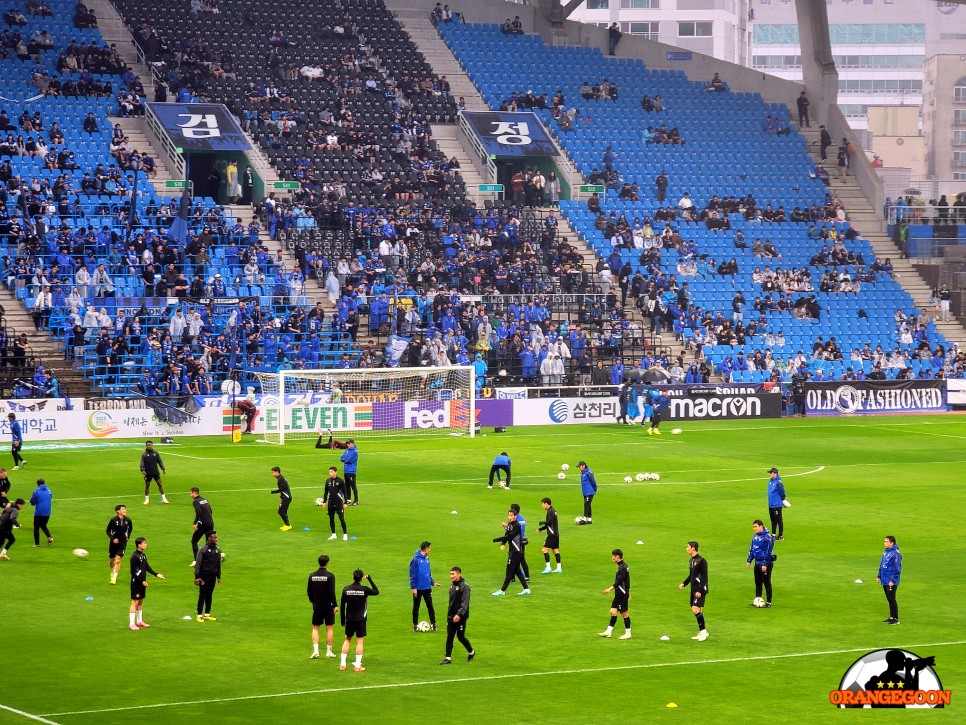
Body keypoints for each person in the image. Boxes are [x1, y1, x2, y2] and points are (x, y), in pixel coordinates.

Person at [339, 569, 380, 671]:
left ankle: (342, 664)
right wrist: (370, 579)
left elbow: (342, 606)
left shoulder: (346, 589)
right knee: (360, 642)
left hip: (349, 619)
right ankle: (357, 666)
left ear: (352, 577)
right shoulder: (365, 589)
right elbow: (376, 591)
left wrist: (342, 621)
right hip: (361, 619)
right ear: (362, 578)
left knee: (347, 639)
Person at [440, 566, 474, 665]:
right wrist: (448, 618)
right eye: (450, 574)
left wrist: (458, 615)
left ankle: (471, 652)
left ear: (459, 574)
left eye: (453, 574)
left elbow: (465, 603)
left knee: (460, 637)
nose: (451, 576)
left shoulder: (465, 587)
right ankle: (448, 658)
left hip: (461, 617)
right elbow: (451, 603)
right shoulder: (452, 586)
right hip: (451, 616)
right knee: (449, 636)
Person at [129, 537, 165, 630]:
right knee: (135, 602)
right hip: (136, 583)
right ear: (139, 545)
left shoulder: (143, 555)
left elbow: (147, 567)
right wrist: (141, 581)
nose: (145, 544)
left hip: (142, 582)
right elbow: (133, 572)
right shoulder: (134, 556)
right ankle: (131, 623)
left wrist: (156, 574)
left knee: (140, 601)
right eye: (144, 543)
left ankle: (139, 621)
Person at [307, 554, 339, 659]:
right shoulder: (330, 576)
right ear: (327, 563)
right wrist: (334, 605)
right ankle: (329, 652)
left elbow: (309, 592)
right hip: (328, 606)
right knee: (329, 628)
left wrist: (313, 602)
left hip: (317, 605)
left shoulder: (312, 575)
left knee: (315, 627)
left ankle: (316, 651)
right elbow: (331, 592)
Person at [492, 508, 529, 596]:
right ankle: (526, 589)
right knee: (517, 571)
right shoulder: (510, 524)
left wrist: (496, 540)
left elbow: (510, 536)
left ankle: (502, 590)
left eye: (512, 515)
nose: (510, 517)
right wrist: (503, 543)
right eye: (509, 515)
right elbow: (507, 533)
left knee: (509, 571)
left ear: (515, 516)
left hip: (516, 552)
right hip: (513, 551)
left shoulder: (517, 525)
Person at [599, 549, 632, 639]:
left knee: (624, 613)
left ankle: (628, 633)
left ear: (618, 556)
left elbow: (619, 582)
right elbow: (627, 580)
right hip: (619, 593)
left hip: (622, 594)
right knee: (613, 612)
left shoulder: (622, 567)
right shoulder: (622, 566)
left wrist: (609, 589)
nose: (612, 558)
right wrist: (628, 591)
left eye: (613, 556)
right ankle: (608, 632)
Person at [680, 540, 709, 641]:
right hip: (693, 589)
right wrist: (684, 583)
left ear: (693, 548)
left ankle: (704, 632)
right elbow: (691, 575)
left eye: (688, 547)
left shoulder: (702, 561)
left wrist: (700, 591)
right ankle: (702, 632)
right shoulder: (691, 561)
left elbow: (705, 577)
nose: (686, 549)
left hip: (700, 590)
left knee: (695, 609)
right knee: (697, 610)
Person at [409, 541, 440, 632]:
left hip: (427, 587)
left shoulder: (427, 558)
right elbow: (412, 574)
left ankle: (433, 624)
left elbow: (428, 573)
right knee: (416, 606)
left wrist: (433, 582)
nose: (430, 549)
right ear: (425, 548)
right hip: (418, 588)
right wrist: (413, 587)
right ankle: (415, 625)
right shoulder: (415, 559)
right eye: (429, 548)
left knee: (430, 606)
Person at [193, 530, 222, 622]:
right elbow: (198, 563)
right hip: (204, 576)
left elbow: (218, 564)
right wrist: (197, 576)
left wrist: (219, 576)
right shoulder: (203, 549)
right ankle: (199, 615)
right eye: (213, 537)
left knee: (209, 594)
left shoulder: (218, 549)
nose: (215, 539)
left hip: (213, 576)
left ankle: (207, 614)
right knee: (202, 595)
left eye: (216, 537)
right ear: (209, 538)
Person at [747, 519, 775, 608]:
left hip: (765, 564)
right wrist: (749, 560)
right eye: (753, 527)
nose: (754, 529)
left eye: (755, 526)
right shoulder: (755, 537)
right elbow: (752, 549)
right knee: (758, 582)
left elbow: (768, 552)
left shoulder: (767, 538)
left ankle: (769, 602)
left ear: (761, 526)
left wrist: (764, 564)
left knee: (766, 582)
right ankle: (758, 600)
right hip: (757, 563)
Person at [877, 535, 902, 625]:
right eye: (884, 542)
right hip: (885, 579)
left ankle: (896, 618)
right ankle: (891, 617)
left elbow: (897, 569)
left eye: (886, 542)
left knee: (892, 599)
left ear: (892, 543)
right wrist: (879, 576)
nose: (884, 543)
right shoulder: (886, 551)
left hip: (891, 581)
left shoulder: (895, 554)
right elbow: (882, 564)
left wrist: (892, 580)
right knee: (889, 599)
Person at [106, 504, 133, 585]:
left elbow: (130, 529)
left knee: (118, 560)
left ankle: (114, 578)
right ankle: (113, 571)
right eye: (123, 509)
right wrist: (113, 539)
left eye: (125, 509)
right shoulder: (113, 520)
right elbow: (107, 531)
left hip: (123, 542)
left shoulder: (128, 520)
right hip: (114, 542)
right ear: (118, 511)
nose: (125, 510)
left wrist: (128, 536)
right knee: (112, 560)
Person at [323, 466, 348, 541]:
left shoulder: (340, 481)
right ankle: (333, 534)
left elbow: (344, 492)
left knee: (341, 518)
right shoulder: (328, 481)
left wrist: (346, 502)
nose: (330, 473)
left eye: (332, 472)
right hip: (331, 501)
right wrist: (324, 501)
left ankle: (345, 534)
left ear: (335, 472)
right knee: (331, 518)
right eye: (329, 472)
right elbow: (326, 492)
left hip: (338, 502)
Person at [190, 487, 214, 562]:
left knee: (194, 541)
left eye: (190, 493)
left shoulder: (195, 501)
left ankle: (197, 560)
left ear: (194, 493)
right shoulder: (204, 500)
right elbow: (210, 511)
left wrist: (195, 523)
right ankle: (213, 557)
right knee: (209, 542)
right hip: (210, 523)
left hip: (203, 524)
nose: (190, 495)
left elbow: (199, 512)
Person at [140, 440, 168, 505]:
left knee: (160, 485)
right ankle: (146, 499)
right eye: (148, 445)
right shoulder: (144, 454)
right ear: (146, 446)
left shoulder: (156, 453)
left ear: (152, 445)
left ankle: (164, 499)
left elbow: (160, 461)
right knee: (147, 486)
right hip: (148, 473)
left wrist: (163, 468)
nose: (149, 446)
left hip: (155, 472)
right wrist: (143, 470)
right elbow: (142, 463)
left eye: (150, 445)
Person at [538, 497, 561, 574]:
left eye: (543, 504)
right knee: (555, 550)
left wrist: (542, 522)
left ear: (546, 504)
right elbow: (550, 524)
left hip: (551, 535)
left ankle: (548, 568)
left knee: (544, 550)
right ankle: (559, 568)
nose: (542, 505)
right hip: (556, 534)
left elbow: (549, 522)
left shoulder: (550, 511)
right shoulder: (553, 510)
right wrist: (541, 529)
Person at [29, 477, 53, 547]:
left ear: (37, 484)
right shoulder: (49, 490)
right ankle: (49, 537)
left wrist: (35, 502)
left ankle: (37, 544)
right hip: (48, 512)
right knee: (43, 525)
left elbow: (32, 501)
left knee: (36, 527)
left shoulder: (36, 491)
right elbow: (50, 498)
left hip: (39, 512)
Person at [270, 466, 292, 531]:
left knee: (281, 512)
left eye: (273, 472)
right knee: (281, 511)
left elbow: (282, 489)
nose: (272, 474)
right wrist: (281, 496)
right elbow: (284, 489)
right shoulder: (281, 478)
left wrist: (273, 492)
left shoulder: (280, 479)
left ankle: (288, 525)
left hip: (287, 498)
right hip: (285, 497)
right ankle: (287, 525)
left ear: (277, 472)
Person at [766, 467, 786, 540]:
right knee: (773, 520)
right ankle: (773, 534)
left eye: (771, 473)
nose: (770, 474)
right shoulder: (770, 482)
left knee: (779, 520)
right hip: (771, 504)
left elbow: (782, 493)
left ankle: (780, 535)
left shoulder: (778, 483)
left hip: (777, 505)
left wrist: (781, 500)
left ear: (775, 473)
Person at [577, 460, 597, 525]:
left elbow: (593, 481)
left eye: (579, 466)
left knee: (586, 504)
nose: (579, 468)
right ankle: (589, 519)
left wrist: (594, 489)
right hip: (585, 492)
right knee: (588, 504)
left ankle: (584, 518)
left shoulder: (588, 472)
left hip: (590, 491)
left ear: (583, 466)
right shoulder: (583, 472)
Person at [340, 438, 359, 505]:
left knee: (353, 486)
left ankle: (356, 500)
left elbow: (348, 460)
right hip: (346, 470)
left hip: (351, 471)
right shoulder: (347, 450)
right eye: (347, 443)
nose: (348, 445)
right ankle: (348, 499)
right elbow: (341, 458)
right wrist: (345, 459)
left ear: (352, 443)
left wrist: (345, 459)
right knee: (347, 485)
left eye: (349, 443)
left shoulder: (354, 451)